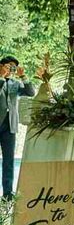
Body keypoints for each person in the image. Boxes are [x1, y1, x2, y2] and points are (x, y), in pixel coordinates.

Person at [0, 55, 35, 199]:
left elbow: (31, 93)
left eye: (13, 67)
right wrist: (1, 78)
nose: (11, 69)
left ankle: (7, 194)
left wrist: (23, 77)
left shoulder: (15, 83)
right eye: (8, 66)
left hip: (10, 126)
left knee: (9, 161)